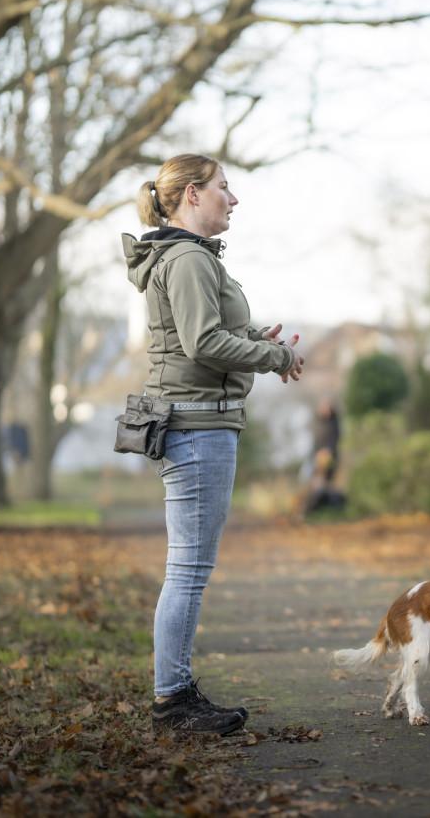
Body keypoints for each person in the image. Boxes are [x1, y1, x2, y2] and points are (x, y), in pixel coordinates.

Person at [122, 153, 305, 736]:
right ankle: (173, 701)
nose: (234, 198)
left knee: (188, 566)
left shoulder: (185, 257)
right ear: (193, 194)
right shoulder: (187, 259)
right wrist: (274, 355)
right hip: (198, 427)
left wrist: (250, 336)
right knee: (188, 569)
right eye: (225, 187)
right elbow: (202, 343)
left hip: (196, 424)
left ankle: (173, 694)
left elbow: (199, 335)